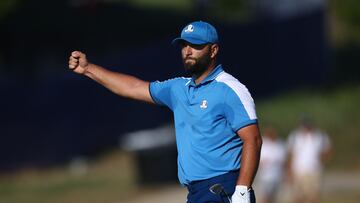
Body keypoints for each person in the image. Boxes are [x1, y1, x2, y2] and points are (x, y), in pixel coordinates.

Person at [68, 21, 262, 203]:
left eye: (195, 46)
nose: (187, 51)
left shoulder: (229, 89)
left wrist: (242, 190)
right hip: (197, 192)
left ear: (213, 50)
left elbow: (252, 139)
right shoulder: (178, 88)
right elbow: (132, 87)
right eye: (184, 45)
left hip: (223, 188)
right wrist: (88, 69)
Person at [286, 116, 331, 203]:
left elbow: (328, 149)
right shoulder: (295, 136)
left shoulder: (320, 136)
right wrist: (289, 171)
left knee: (313, 197)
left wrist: (323, 161)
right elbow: (290, 154)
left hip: (315, 170)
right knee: (297, 197)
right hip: (298, 170)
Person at [255, 126, 286, 203]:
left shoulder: (280, 144)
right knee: (264, 198)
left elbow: (283, 161)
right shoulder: (263, 144)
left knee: (274, 198)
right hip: (264, 177)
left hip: (276, 176)